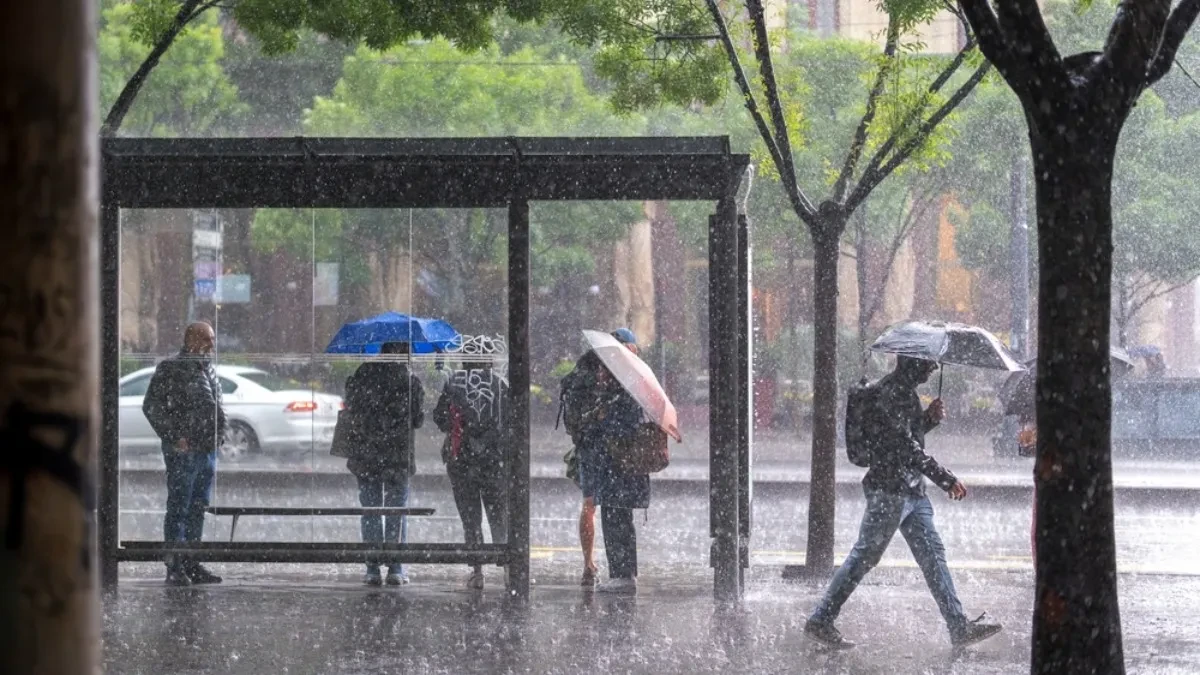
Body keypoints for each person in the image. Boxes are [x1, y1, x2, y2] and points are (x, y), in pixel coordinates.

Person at [805, 356, 1002, 649]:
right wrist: (945, 479)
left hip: (911, 491)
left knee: (933, 557)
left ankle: (958, 626)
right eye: (927, 365)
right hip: (890, 491)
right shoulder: (891, 393)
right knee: (865, 556)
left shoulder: (902, 393)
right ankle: (821, 619)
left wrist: (928, 420)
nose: (932, 369)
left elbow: (905, 437)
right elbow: (905, 446)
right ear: (912, 365)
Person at [142, 322, 226, 586]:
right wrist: (175, 436)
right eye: (207, 339)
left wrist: (218, 436)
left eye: (212, 339)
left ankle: (190, 562)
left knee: (197, 507)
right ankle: (175, 566)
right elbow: (151, 406)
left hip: (205, 449)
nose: (212, 345)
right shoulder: (172, 368)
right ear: (192, 340)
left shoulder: (207, 369)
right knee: (180, 506)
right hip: (185, 450)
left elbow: (216, 407)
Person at [559, 328, 640, 587]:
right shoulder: (620, 376)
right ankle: (620, 572)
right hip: (610, 452)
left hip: (590, 448)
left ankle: (589, 565)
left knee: (592, 505)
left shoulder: (584, 370)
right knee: (613, 509)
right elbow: (628, 420)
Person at [343, 341, 425, 586]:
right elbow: (418, 420)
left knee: (370, 510)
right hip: (397, 457)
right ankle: (396, 568)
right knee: (396, 511)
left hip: (366, 455)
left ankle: (372, 568)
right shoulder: (410, 381)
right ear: (403, 354)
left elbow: (351, 409)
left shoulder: (363, 374)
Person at [578, 328, 648, 595]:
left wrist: (602, 419)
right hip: (621, 465)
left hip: (619, 464)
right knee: (617, 516)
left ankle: (622, 575)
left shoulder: (628, 386)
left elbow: (622, 426)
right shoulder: (628, 382)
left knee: (616, 517)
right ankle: (623, 573)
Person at [434, 361, 509, 590]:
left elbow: (439, 417)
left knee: (471, 518)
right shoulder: (499, 383)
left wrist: (459, 424)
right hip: (493, 461)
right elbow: (509, 420)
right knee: (498, 516)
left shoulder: (454, 382)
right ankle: (508, 567)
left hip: (462, 461)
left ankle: (477, 571)